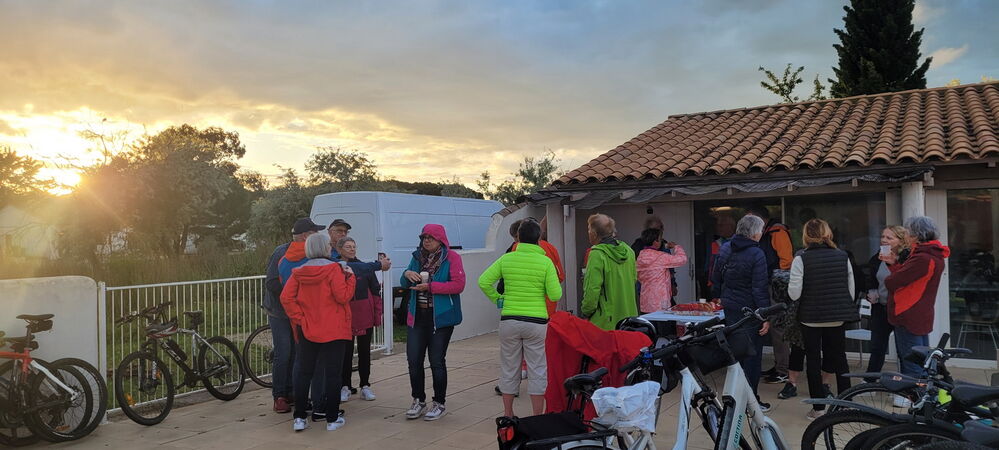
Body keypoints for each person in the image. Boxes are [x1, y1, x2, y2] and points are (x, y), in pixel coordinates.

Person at [478, 219, 563, 418]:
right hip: (536, 322)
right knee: (538, 369)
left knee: (509, 367)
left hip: (509, 320)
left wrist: (499, 299)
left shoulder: (507, 259)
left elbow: (483, 281)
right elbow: (555, 294)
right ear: (538, 239)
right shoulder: (545, 262)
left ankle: (508, 414)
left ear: (518, 238)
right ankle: (536, 416)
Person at [280, 233, 356, 432]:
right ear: (326, 248)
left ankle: (299, 417)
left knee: (304, 373)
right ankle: (331, 418)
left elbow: (286, 298)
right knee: (333, 374)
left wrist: (300, 318)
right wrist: (351, 278)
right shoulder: (335, 269)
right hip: (335, 329)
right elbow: (343, 296)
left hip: (308, 329)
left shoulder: (298, 272)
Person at [788, 219, 858, 420]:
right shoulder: (842, 256)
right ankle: (846, 404)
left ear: (806, 235)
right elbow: (850, 290)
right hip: (837, 316)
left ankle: (818, 408)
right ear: (828, 233)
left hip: (810, 317)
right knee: (840, 358)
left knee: (812, 360)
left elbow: (794, 293)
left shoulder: (801, 258)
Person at [400, 224, 465, 421]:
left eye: (431, 237)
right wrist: (406, 275)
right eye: (424, 237)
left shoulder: (452, 258)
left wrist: (431, 287)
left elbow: (458, 285)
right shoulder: (417, 257)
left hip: (441, 318)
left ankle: (439, 402)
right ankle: (418, 400)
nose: (426, 240)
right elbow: (405, 284)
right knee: (413, 361)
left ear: (441, 239)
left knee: (436, 361)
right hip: (417, 317)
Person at [710, 214, 771, 411]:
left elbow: (716, 277)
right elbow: (759, 288)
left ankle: (734, 398)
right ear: (754, 233)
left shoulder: (725, 247)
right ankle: (751, 401)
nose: (761, 234)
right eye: (761, 231)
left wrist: (718, 297)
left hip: (731, 308)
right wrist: (765, 316)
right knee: (752, 356)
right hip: (750, 311)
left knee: (735, 354)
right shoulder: (756, 253)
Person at [264, 217, 324, 413]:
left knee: (298, 353)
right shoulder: (281, 253)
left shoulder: (310, 253)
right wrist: (294, 294)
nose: (317, 236)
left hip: (299, 312)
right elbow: (272, 282)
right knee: (283, 352)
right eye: (315, 232)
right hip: (280, 312)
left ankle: (292, 391)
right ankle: (279, 396)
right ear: (305, 236)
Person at [883, 216, 949, 381]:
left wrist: (892, 272)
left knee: (911, 363)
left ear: (915, 235)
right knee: (921, 360)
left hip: (909, 313)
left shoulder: (922, 257)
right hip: (920, 313)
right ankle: (923, 397)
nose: (906, 235)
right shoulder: (933, 254)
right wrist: (894, 263)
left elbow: (893, 282)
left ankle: (916, 399)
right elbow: (910, 279)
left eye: (908, 232)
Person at [745, 205, 794, 386]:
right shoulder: (765, 233)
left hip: (775, 287)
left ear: (760, 220)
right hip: (765, 285)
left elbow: (786, 261)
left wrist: (775, 282)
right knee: (772, 328)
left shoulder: (777, 232)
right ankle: (779, 366)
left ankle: (783, 369)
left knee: (778, 328)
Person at [337, 237, 383, 402]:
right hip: (345, 317)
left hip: (364, 315)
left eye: (354, 246)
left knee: (364, 352)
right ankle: (345, 386)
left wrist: (377, 316)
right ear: (339, 249)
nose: (352, 249)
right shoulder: (335, 266)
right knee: (345, 353)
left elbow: (376, 291)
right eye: (348, 246)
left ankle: (365, 385)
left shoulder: (364, 267)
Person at [863, 226, 911, 376]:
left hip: (900, 310)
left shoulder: (908, 258)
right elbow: (871, 279)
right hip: (881, 308)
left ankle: (904, 384)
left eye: (889, 238)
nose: (884, 240)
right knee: (877, 347)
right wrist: (871, 292)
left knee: (903, 349)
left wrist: (894, 262)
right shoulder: (878, 257)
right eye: (883, 236)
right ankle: (870, 379)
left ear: (901, 241)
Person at [581, 213, 637, 331]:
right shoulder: (628, 251)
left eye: (589, 229)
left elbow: (592, 289)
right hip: (629, 319)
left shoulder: (597, 254)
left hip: (605, 322)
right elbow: (634, 279)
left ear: (594, 234)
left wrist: (586, 312)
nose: (588, 233)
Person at [635, 228, 688, 313]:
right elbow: (682, 259)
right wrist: (676, 247)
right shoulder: (661, 257)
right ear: (655, 242)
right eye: (660, 239)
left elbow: (638, 277)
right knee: (663, 325)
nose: (661, 242)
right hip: (661, 303)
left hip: (645, 301)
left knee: (649, 325)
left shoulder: (640, 257)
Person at [631, 216, 679, 303]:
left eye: (661, 227)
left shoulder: (664, 243)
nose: (662, 230)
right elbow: (634, 266)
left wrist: (673, 284)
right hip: (646, 288)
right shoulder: (638, 245)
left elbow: (670, 267)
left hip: (664, 287)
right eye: (659, 228)